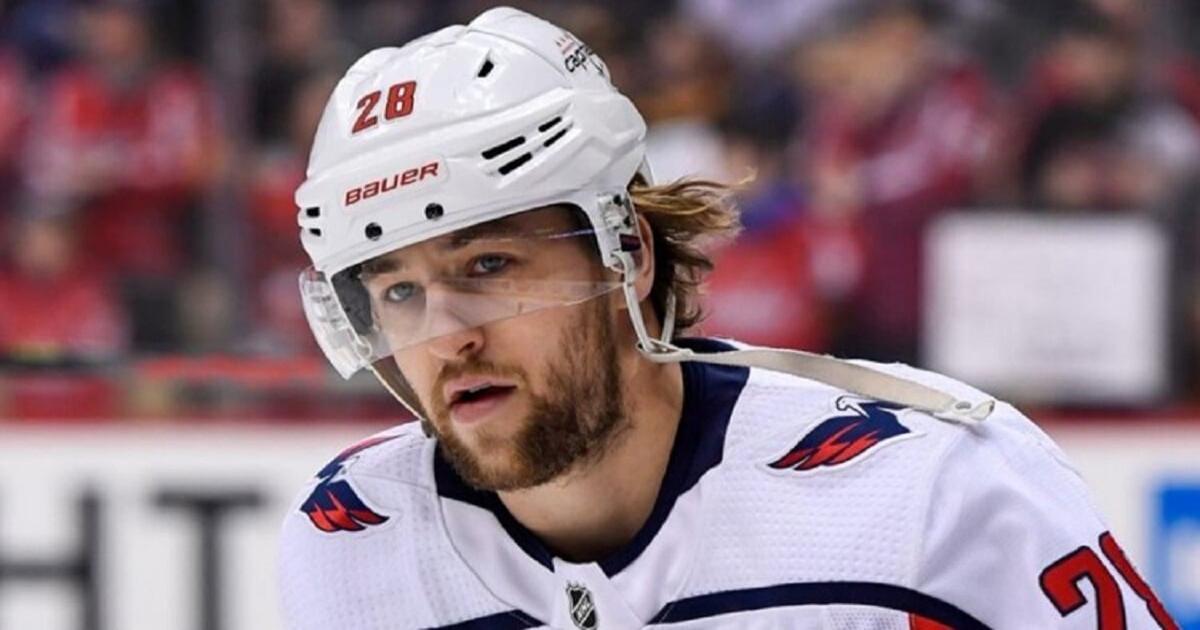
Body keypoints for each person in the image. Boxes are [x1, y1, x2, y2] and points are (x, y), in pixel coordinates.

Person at [278, 8, 1178, 629]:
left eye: (488, 266)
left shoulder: (931, 488)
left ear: (627, 253)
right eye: (398, 291)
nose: (447, 337)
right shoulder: (354, 539)